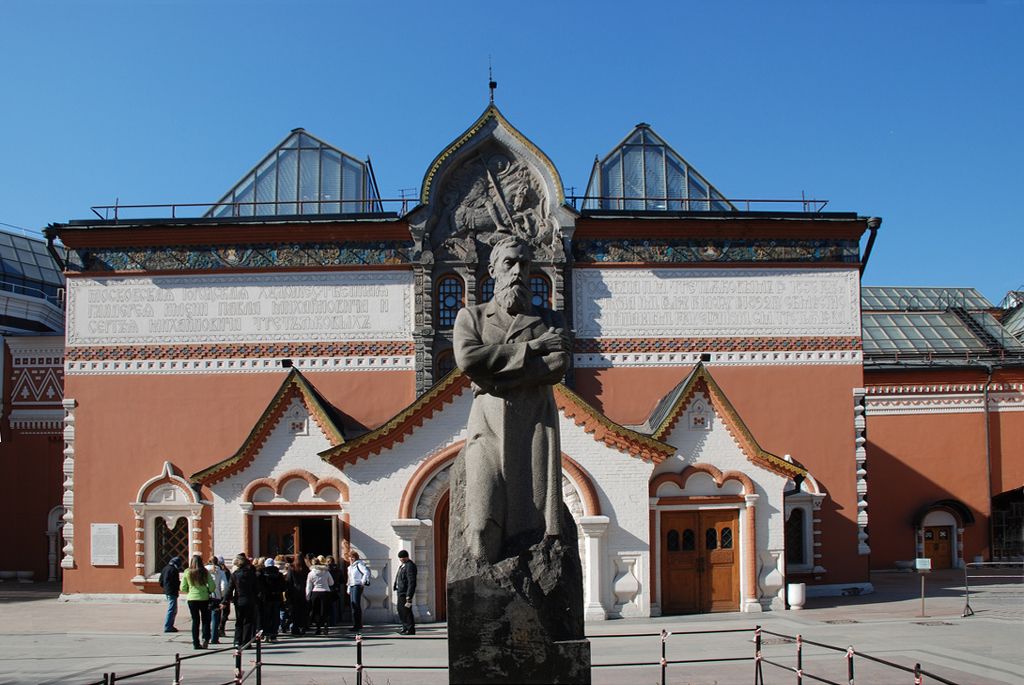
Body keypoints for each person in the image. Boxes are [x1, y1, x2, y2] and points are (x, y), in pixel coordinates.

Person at [452, 237, 570, 563]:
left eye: (525, 263)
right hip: (486, 426)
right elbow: (468, 360)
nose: (518, 271)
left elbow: (558, 366)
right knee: (479, 522)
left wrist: (492, 378)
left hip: (533, 425)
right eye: (509, 263)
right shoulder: (472, 317)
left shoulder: (550, 320)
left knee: (533, 523)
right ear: (492, 270)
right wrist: (533, 349)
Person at [179, 554, 217, 650]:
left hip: (192, 598)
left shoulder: (187, 572)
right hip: (204, 598)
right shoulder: (205, 572)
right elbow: (212, 586)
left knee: (195, 620)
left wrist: (190, 591)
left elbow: (182, 587)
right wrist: (208, 590)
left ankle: (196, 643)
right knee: (205, 620)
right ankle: (205, 639)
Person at [224, 554, 259, 648]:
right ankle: (246, 642)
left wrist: (225, 600)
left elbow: (229, 588)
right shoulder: (252, 574)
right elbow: (256, 588)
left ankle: (237, 641)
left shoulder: (235, 575)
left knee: (239, 621)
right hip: (250, 599)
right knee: (248, 621)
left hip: (239, 600)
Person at [306, 555, 335, 635]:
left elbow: (309, 586)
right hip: (325, 592)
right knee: (325, 610)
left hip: (315, 593)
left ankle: (318, 628)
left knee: (316, 611)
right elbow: (331, 583)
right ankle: (325, 625)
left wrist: (308, 597)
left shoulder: (311, 573)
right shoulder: (326, 571)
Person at [259, 557, 286, 642]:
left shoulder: (262, 574)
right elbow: (283, 586)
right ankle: (273, 635)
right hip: (276, 598)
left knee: (266, 617)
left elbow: (260, 587)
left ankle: (266, 634)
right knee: (275, 617)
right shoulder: (279, 574)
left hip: (266, 598)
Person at [345, 550, 371, 633]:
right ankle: (356, 624)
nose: (351, 558)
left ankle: (357, 624)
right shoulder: (350, 567)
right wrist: (348, 588)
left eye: (352, 557)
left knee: (356, 605)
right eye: (350, 557)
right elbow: (349, 578)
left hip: (357, 586)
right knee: (353, 605)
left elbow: (366, 572)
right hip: (352, 586)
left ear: (356, 557)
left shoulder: (359, 564)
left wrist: (362, 582)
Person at [393, 550, 417, 636]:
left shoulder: (410, 566)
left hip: (405, 593)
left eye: (403, 558)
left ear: (407, 557)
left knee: (406, 611)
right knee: (401, 610)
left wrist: (409, 595)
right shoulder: (403, 566)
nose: (401, 560)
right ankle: (404, 627)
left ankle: (410, 629)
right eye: (400, 558)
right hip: (400, 591)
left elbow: (412, 582)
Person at [205, 557, 228, 644]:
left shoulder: (204, 570)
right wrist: (222, 596)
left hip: (205, 596)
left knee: (206, 618)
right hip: (216, 597)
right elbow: (224, 585)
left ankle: (206, 637)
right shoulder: (220, 572)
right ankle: (214, 638)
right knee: (215, 618)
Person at [159, 556, 183, 633]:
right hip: (172, 591)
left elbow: (161, 581)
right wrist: (177, 588)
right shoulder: (174, 570)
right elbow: (176, 582)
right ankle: (168, 626)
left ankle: (169, 625)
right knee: (172, 609)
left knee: (172, 609)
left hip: (167, 591)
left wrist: (165, 588)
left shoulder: (165, 568)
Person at [287, 555, 310, 635]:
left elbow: (289, 580)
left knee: (294, 611)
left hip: (294, 592)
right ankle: (303, 627)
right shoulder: (306, 569)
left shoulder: (292, 568)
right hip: (304, 591)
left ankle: (295, 628)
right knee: (303, 610)